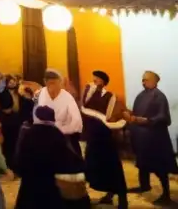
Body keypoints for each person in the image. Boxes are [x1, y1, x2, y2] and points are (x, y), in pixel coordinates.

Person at [14, 105, 87, 209]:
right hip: (51, 186)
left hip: (30, 185)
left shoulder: (28, 134)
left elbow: (19, 158)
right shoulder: (57, 135)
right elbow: (68, 159)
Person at [125, 70, 175, 205]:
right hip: (141, 137)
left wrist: (146, 120)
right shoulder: (140, 96)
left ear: (154, 81)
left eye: (146, 80)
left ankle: (166, 195)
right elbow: (136, 113)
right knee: (142, 163)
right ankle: (144, 185)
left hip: (155, 138)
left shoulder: (159, 96)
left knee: (160, 166)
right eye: (142, 79)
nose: (143, 82)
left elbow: (164, 117)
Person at [79, 70, 126, 208]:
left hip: (105, 138)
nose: (94, 81)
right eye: (93, 79)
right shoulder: (88, 93)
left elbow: (111, 116)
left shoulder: (110, 96)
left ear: (103, 82)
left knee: (112, 166)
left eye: (97, 79)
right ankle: (106, 194)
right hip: (92, 137)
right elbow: (83, 108)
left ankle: (122, 198)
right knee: (92, 167)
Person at [33, 69, 82, 149]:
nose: (53, 86)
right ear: (45, 82)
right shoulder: (39, 94)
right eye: (50, 83)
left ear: (60, 82)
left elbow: (77, 122)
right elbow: (36, 117)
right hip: (44, 137)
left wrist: (60, 131)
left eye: (56, 83)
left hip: (64, 137)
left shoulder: (67, 97)